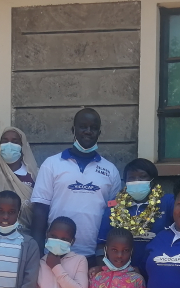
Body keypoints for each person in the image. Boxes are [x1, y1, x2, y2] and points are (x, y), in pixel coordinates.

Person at [30, 108, 122, 259]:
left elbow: (113, 215)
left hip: (94, 256)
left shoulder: (110, 170)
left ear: (99, 133)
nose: (88, 131)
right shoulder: (52, 164)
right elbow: (40, 210)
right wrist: (37, 252)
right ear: (73, 130)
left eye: (93, 128)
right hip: (56, 253)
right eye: (83, 126)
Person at [97, 158, 173, 270]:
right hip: (123, 276)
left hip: (157, 271)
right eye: (131, 178)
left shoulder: (167, 202)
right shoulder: (115, 205)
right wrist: (104, 270)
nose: (136, 181)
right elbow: (101, 244)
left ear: (152, 180)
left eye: (142, 177)